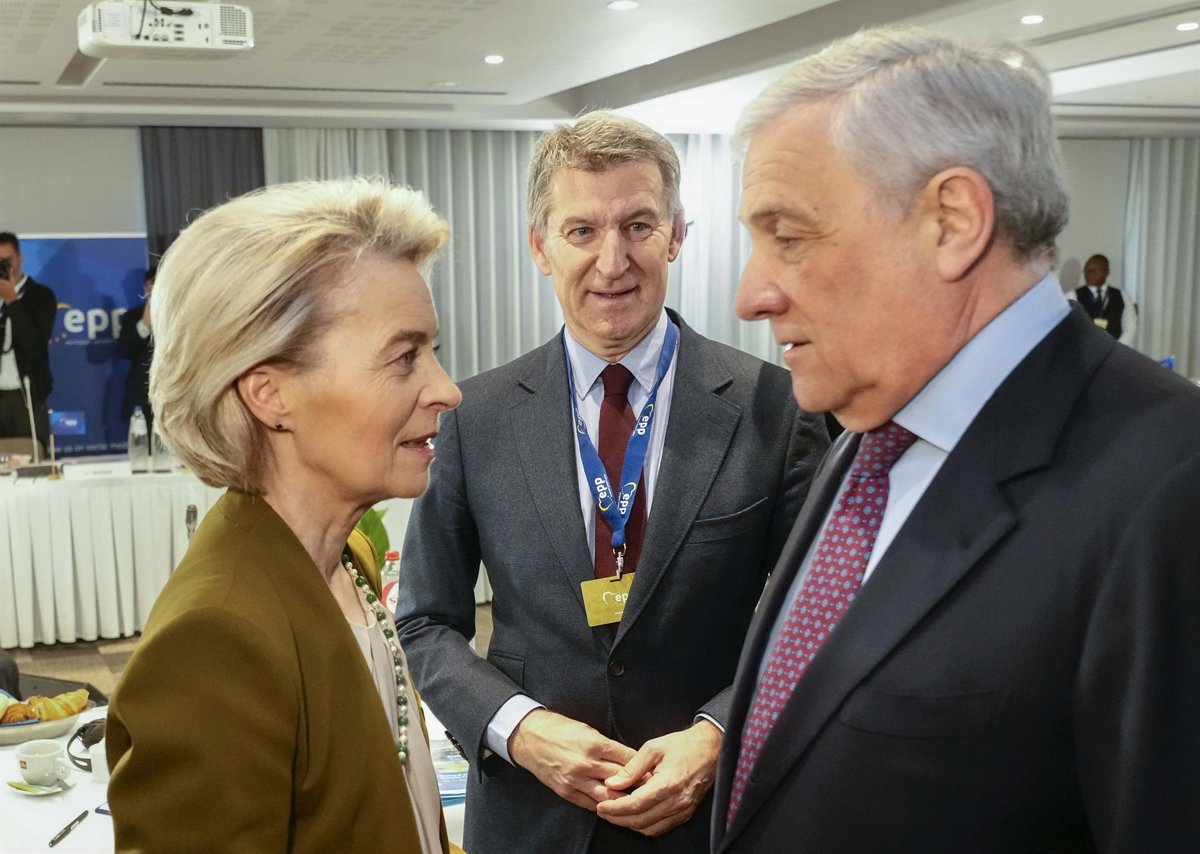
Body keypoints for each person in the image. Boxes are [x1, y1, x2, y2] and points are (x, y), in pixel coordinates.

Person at [713, 26, 1200, 853]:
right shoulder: (871, 431)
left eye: (788, 237)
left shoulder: (1171, 489)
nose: (750, 293)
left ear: (952, 221)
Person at [395, 111, 828, 854]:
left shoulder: (776, 409)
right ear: (540, 247)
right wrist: (519, 729)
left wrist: (719, 733)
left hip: (708, 818)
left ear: (677, 235)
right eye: (581, 231)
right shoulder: (474, 416)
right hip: (531, 817)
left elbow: (819, 616)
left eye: (638, 226)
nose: (612, 261)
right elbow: (426, 623)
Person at [105, 178, 462, 853]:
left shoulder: (345, 559)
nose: (446, 390)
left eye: (433, 352)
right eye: (404, 357)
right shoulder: (216, 642)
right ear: (269, 394)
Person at [0, 232, 57, 455]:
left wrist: (12, 301)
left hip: (26, 397)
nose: (4, 267)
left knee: (32, 459)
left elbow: (35, 347)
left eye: (7, 261)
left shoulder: (40, 296)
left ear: (20, 260)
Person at [115, 264, 156, 432]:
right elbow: (124, 351)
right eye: (152, 283)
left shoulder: (184, 316)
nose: (156, 287)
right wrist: (144, 324)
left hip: (179, 398)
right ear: (145, 288)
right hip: (143, 399)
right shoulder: (132, 317)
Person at [1068, 253, 1137, 344]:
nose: (1090, 274)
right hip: (1084, 349)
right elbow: (1068, 327)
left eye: (1097, 270)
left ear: (1107, 272)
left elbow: (1130, 327)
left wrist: (1117, 347)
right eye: (1087, 270)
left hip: (1114, 348)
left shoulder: (1122, 296)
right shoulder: (1072, 296)